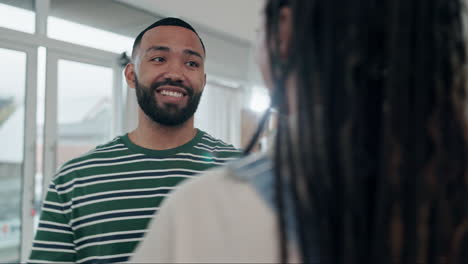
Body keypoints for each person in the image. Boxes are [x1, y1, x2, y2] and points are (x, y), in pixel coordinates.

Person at [132, 0, 468, 263]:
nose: (176, 73)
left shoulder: (209, 212)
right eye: (158, 59)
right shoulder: (449, 197)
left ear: (284, 34)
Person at [28, 17, 242, 263]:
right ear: (131, 74)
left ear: (202, 82)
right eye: (159, 59)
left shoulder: (242, 171)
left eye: (191, 63)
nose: (175, 73)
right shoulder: (75, 179)